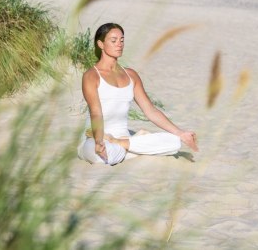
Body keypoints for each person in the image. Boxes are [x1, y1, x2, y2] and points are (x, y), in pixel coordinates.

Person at [77, 23, 198, 165]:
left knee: (175, 142)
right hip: (95, 137)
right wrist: (98, 141)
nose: (119, 44)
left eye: (122, 40)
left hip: (122, 137)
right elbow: (96, 113)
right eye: (113, 40)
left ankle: (123, 144)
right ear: (101, 44)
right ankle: (133, 147)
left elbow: (150, 110)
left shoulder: (131, 75)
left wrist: (180, 133)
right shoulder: (91, 76)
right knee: (98, 155)